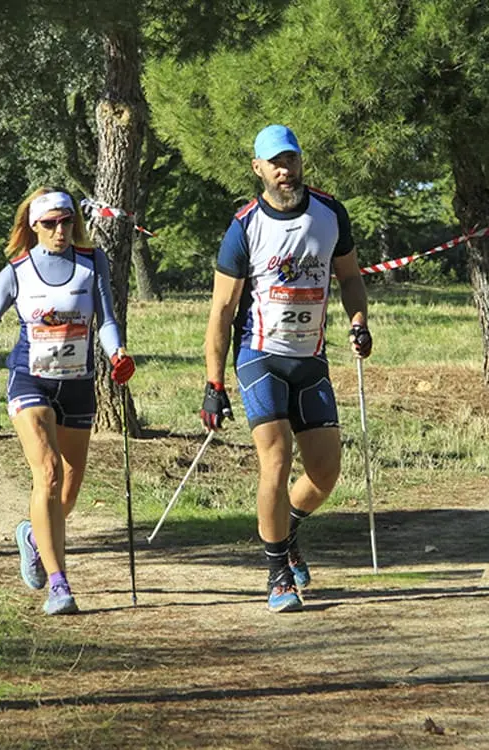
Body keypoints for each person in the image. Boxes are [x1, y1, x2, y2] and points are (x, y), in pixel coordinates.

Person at [202, 124, 372, 613]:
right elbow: (221, 311)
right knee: (275, 458)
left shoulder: (330, 213)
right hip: (260, 356)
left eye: (291, 160)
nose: (285, 170)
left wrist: (358, 322)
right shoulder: (244, 227)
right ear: (258, 168)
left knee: (324, 472)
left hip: (310, 359)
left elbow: (351, 278)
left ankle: (288, 526)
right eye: (274, 162)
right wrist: (214, 383)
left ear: (301, 162)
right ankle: (277, 573)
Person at [0, 187, 137, 615]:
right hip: (31, 380)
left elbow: (107, 321)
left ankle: (31, 535)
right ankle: (59, 583)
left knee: (69, 484)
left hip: (78, 382)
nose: (60, 230)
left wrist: (117, 353)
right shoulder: (17, 271)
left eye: (66, 222)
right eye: (50, 223)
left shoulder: (91, 262)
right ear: (33, 226)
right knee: (46, 473)